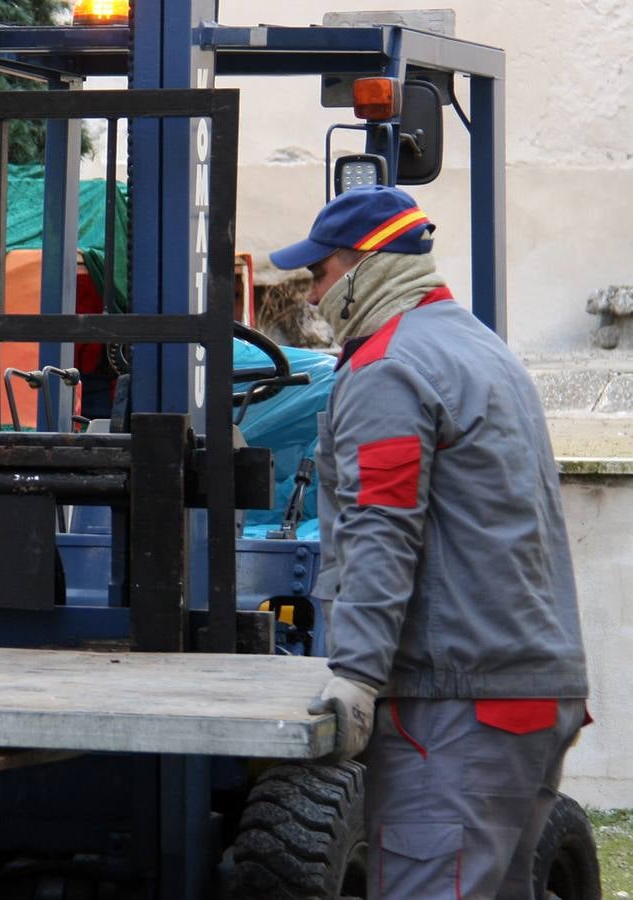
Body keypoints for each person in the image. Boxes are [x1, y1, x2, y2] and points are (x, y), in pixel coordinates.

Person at [273, 185, 589, 898]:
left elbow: (382, 526)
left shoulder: (390, 367)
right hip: (530, 691)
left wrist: (355, 673)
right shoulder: (481, 348)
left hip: (454, 707)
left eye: (320, 274)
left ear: (363, 266)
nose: (314, 295)